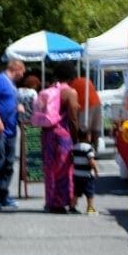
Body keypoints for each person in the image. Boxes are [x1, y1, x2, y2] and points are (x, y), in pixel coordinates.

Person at [0, 60, 26, 210]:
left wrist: (17, 108)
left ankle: (3, 194)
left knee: (9, 163)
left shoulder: (12, 85)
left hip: (11, 129)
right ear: (17, 69)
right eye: (23, 71)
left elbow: (7, 102)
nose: (23, 75)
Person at [37, 62, 80, 213]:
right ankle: (60, 202)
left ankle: (50, 201)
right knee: (63, 168)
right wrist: (76, 139)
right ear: (71, 76)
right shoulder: (70, 92)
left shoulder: (48, 90)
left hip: (47, 133)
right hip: (63, 135)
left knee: (49, 168)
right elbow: (73, 118)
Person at [65, 62, 103, 152]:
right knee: (95, 129)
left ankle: (84, 151)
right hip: (97, 103)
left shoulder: (71, 85)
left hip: (85, 106)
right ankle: (95, 150)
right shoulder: (86, 79)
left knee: (84, 130)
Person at [71, 131, 99, 215]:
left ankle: (72, 207)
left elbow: (72, 158)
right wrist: (96, 170)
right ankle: (90, 208)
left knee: (76, 191)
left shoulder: (75, 147)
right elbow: (91, 160)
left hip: (76, 174)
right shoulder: (88, 148)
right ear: (87, 137)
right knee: (89, 191)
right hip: (86, 174)